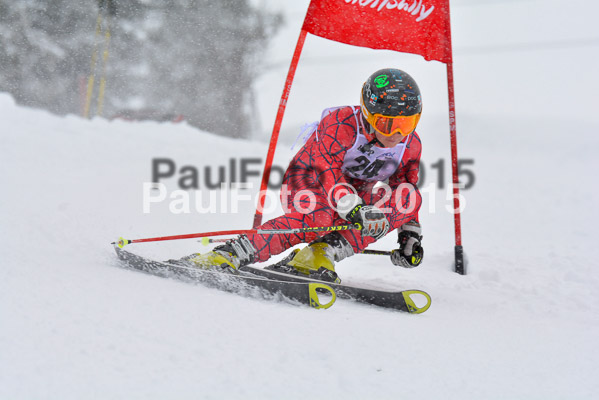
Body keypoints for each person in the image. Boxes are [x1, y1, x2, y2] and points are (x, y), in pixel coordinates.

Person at [186, 68, 424, 282]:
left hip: (354, 200)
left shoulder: (410, 145)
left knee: (408, 197)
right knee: (318, 220)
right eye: (386, 123)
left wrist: (409, 236)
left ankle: (320, 253)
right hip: (308, 183)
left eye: (407, 124)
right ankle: (231, 253)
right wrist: (351, 205)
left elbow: (405, 192)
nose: (396, 134)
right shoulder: (342, 123)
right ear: (368, 114)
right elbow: (326, 170)